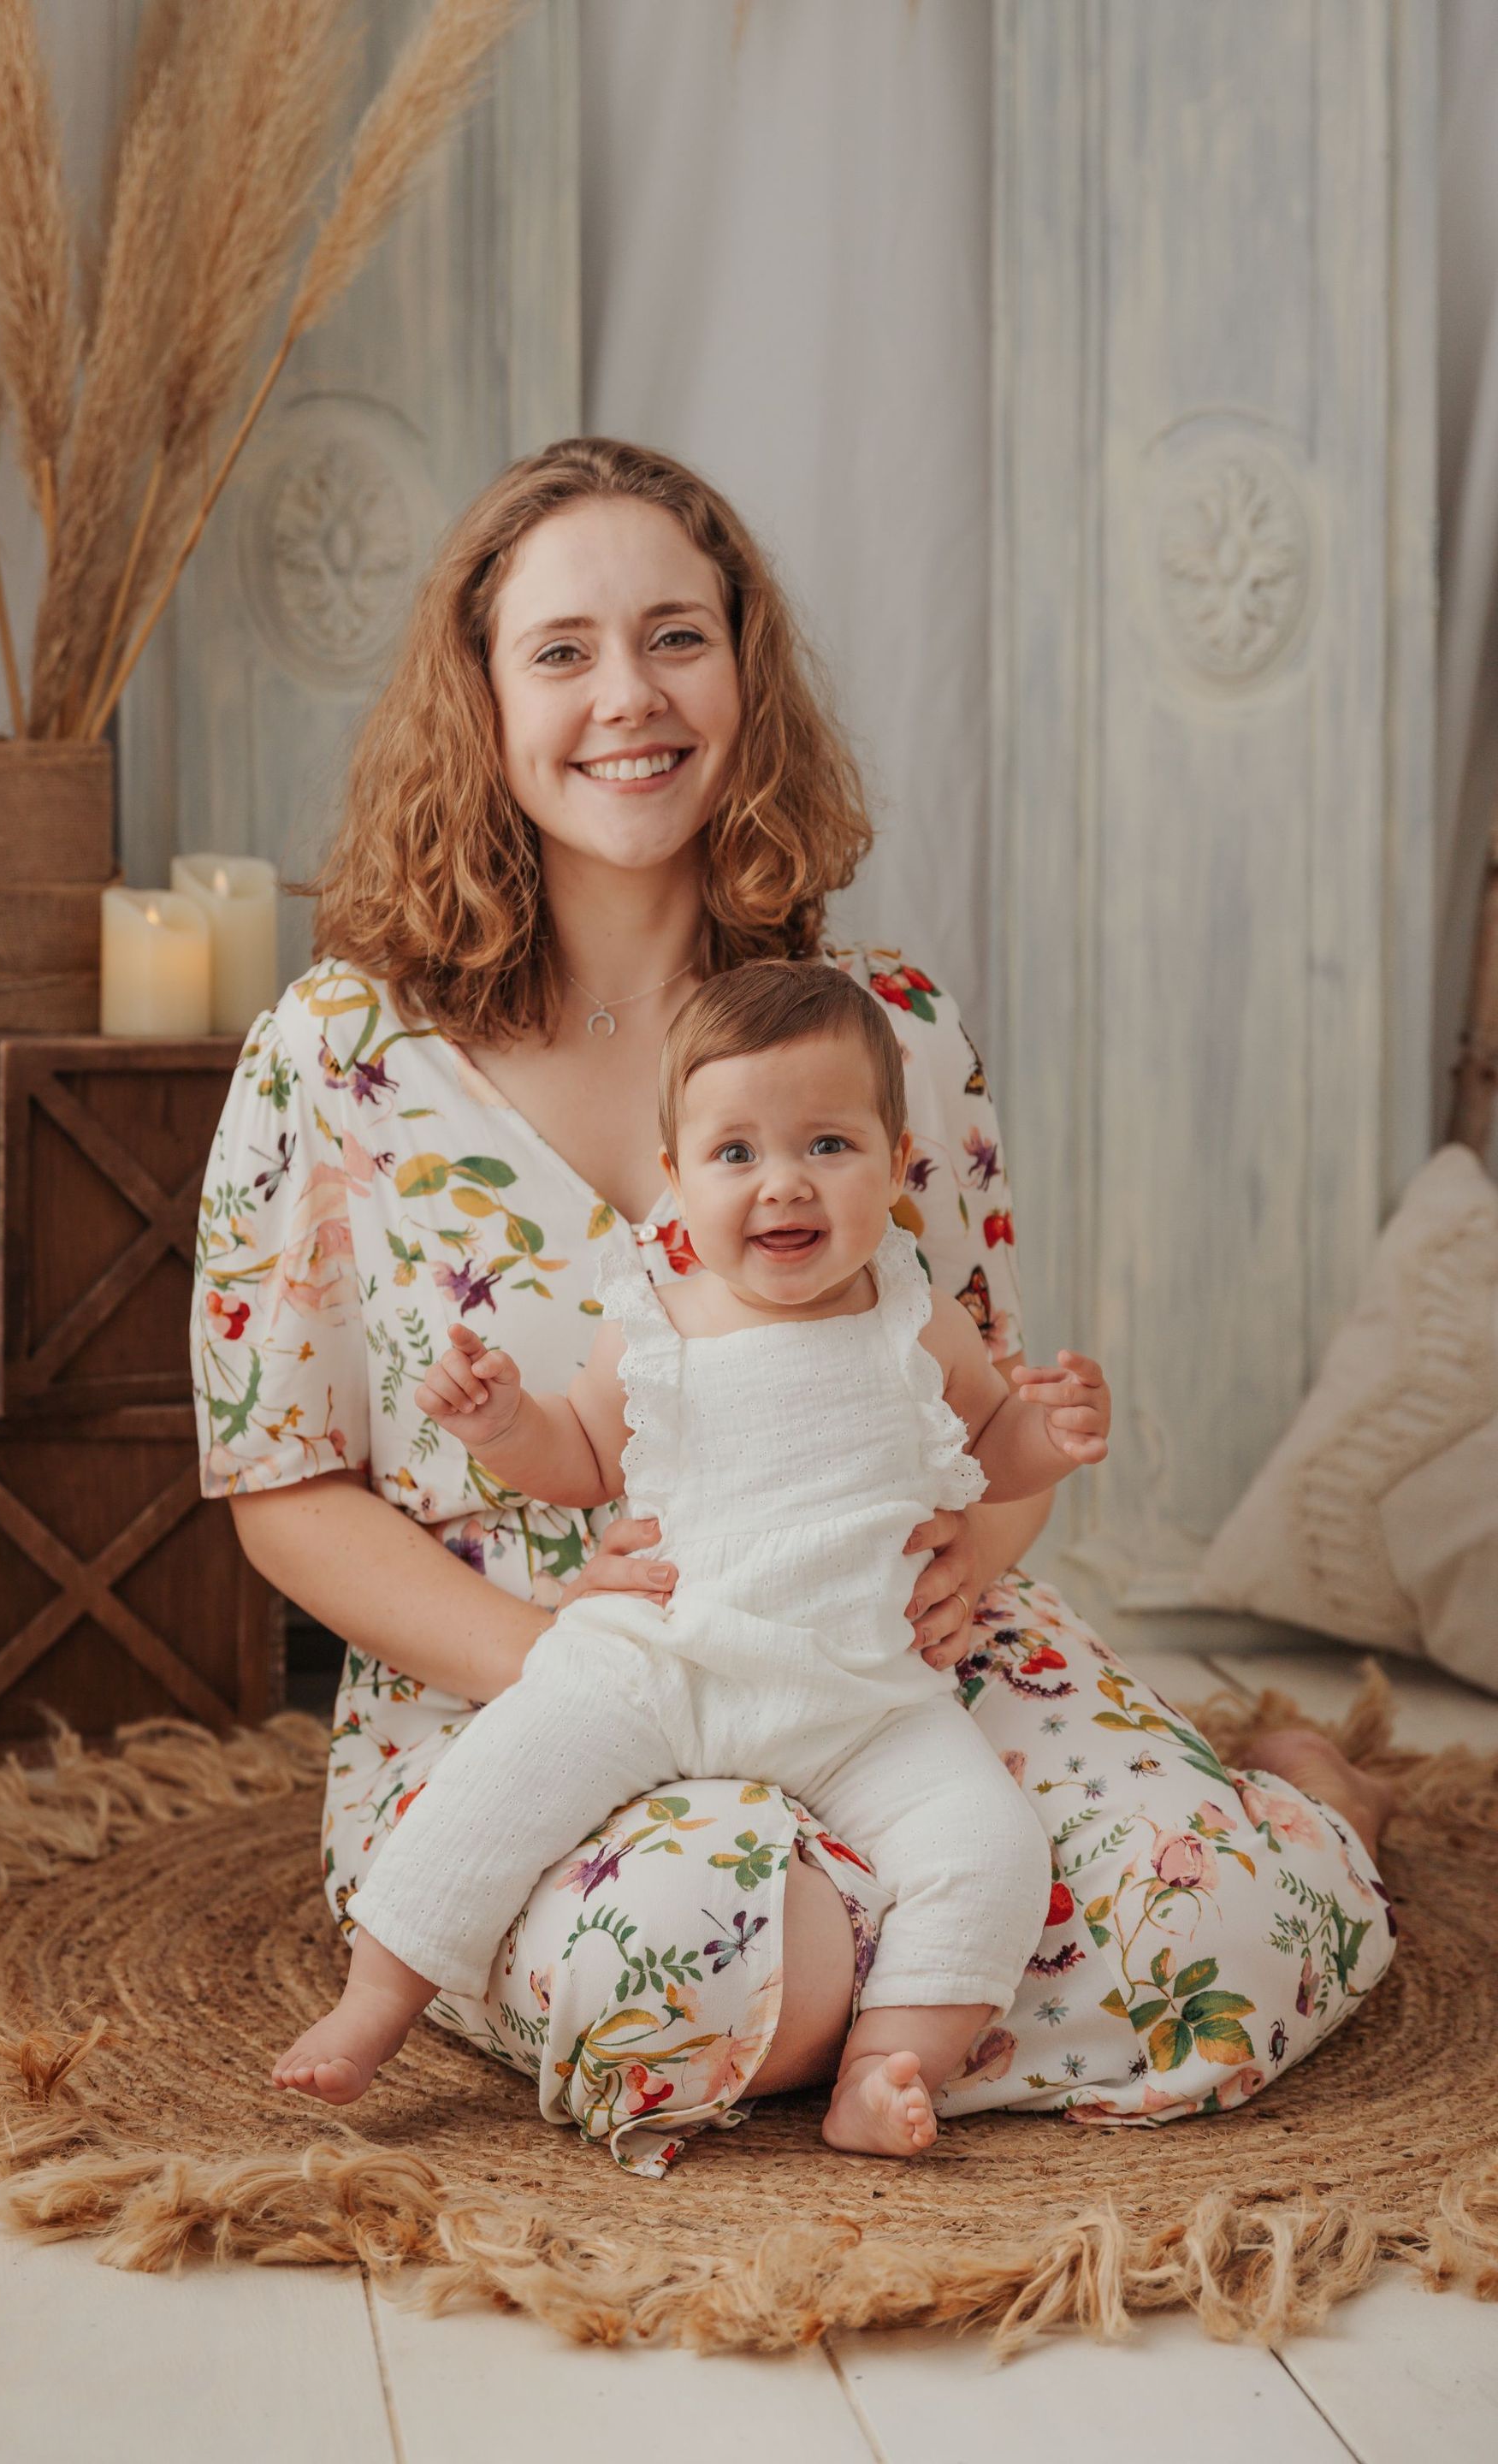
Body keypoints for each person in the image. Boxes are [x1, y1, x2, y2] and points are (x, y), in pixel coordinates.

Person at [194, 435, 1397, 2179]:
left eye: (677, 637)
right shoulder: (338, 1052)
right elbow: (282, 1484)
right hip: (529, 1678)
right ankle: (848, 1983)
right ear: (481, 699)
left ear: (745, 674)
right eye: (563, 650)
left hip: (878, 1660)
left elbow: (976, 1409)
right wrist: (571, 1666)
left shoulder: (884, 1026)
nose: (629, 695)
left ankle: (1302, 1805)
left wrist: (978, 1551)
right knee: (679, 1969)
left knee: (1226, 1938)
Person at [269, 962, 1113, 2154]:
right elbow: (579, 1456)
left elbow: (985, 1448)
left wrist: (1050, 1434)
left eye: (828, 1145)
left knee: (992, 1849)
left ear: (895, 1163)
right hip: (663, 1662)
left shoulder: (917, 1317)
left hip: (866, 1694)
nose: (784, 1183)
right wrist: (503, 1424)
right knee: (499, 1781)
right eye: (736, 1154)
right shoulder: (657, 1319)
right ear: (676, 1178)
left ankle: (886, 2071)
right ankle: (372, 2007)